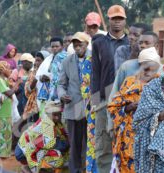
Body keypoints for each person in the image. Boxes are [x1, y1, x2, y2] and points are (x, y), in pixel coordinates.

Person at [107, 47, 161, 172]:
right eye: (146, 69)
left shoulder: (161, 84)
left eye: (153, 70)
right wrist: (129, 107)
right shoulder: (129, 82)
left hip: (153, 136)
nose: (148, 73)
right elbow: (113, 106)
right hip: (129, 135)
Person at [91, 5, 129, 173]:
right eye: (114, 19)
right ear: (109, 20)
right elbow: (95, 73)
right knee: (103, 143)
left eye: (120, 19)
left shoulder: (131, 44)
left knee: (126, 141)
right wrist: (95, 101)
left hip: (127, 100)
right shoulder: (99, 43)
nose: (117, 22)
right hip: (104, 99)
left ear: (125, 21)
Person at [58, 32, 90, 173]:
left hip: (91, 107)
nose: (77, 47)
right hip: (73, 107)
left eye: (80, 44)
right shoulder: (67, 61)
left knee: (89, 140)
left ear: (87, 44)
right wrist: (62, 95)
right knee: (75, 142)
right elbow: (61, 84)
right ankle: (75, 169)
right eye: (75, 45)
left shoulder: (95, 59)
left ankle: (87, 168)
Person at [15, 101, 68, 172]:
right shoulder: (47, 125)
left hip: (25, 148)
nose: (57, 117)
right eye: (55, 114)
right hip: (22, 152)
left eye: (59, 114)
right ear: (49, 114)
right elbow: (54, 144)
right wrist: (69, 143)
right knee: (58, 157)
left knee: (59, 149)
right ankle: (30, 167)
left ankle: (37, 166)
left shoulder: (50, 120)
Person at [0, 61, 20, 158]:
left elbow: (10, 89)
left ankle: (5, 153)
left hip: (7, 111)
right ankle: (2, 154)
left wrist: (10, 79)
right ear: (3, 69)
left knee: (7, 133)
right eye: (8, 68)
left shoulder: (3, 80)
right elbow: (10, 93)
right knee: (2, 134)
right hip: (2, 113)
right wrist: (17, 83)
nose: (10, 70)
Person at [36, 37, 67, 104]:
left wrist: (50, 78)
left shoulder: (65, 57)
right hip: (49, 92)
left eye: (57, 46)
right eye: (52, 46)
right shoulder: (48, 59)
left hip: (61, 92)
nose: (54, 48)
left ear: (62, 46)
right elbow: (40, 75)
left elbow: (63, 75)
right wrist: (42, 77)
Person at [22, 51, 46, 122]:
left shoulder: (49, 72)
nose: (36, 63)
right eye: (36, 60)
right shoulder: (33, 73)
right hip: (34, 106)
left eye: (39, 60)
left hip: (45, 104)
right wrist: (35, 80)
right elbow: (27, 90)